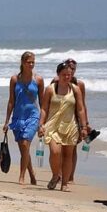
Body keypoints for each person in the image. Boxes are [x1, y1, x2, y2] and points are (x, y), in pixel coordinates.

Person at [39, 62, 88, 192]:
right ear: (58, 74)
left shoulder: (75, 89)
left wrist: (83, 127)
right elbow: (44, 108)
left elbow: (81, 109)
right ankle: (56, 175)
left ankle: (64, 183)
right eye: (64, 74)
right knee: (55, 152)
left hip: (70, 126)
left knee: (68, 155)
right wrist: (41, 124)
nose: (67, 77)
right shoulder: (50, 89)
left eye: (69, 75)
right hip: (52, 125)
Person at [3, 51, 44, 185]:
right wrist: (6, 121)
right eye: (28, 62)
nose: (31, 64)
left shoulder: (38, 80)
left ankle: (22, 176)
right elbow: (11, 101)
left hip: (33, 116)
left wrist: (42, 123)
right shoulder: (15, 79)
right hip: (18, 117)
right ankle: (32, 174)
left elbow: (43, 103)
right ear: (22, 63)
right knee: (23, 149)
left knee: (25, 144)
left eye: (33, 62)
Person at [51, 58, 91, 183]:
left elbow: (82, 105)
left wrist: (86, 124)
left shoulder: (79, 85)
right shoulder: (55, 82)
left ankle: (70, 176)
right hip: (59, 120)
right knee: (59, 148)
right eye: (69, 68)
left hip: (75, 120)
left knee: (71, 149)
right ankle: (60, 174)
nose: (71, 71)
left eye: (73, 69)